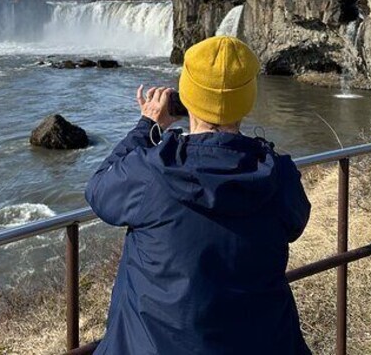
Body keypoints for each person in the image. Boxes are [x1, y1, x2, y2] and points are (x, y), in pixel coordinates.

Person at [85, 36, 312, 355]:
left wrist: (147, 127)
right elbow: (294, 224)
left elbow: (98, 189)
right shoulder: (279, 176)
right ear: (247, 100)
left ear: (187, 96)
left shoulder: (153, 171)